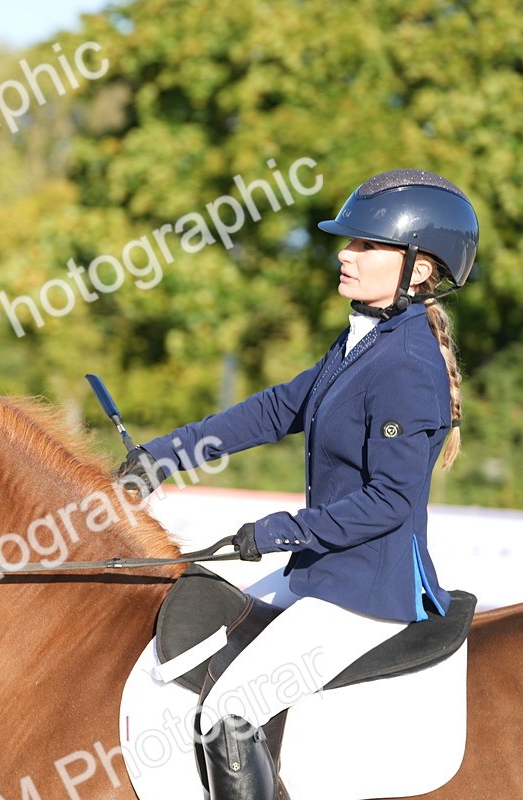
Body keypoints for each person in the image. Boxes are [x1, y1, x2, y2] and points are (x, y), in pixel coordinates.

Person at [118, 169, 476, 800]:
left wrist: (277, 532)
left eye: (367, 245)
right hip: (323, 569)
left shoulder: (406, 365)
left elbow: (390, 502)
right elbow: (277, 409)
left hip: (365, 590)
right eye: (349, 242)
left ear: (417, 269)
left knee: (228, 712)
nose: (345, 254)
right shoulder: (366, 340)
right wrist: (163, 456)